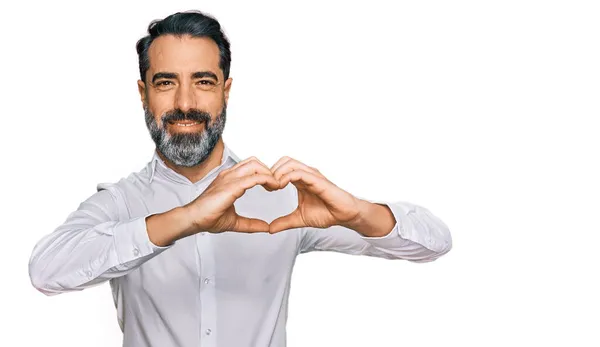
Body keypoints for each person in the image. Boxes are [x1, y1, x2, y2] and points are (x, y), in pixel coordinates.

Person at [28, 10, 452, 347]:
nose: (185, 103)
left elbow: (434, 242)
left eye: (203, 81)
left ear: (226, 90)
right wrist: (187, 218)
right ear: (143, 93)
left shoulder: (282, 198)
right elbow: (46, 271)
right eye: (165, 82)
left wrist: (358, 213)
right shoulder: (119, 203)